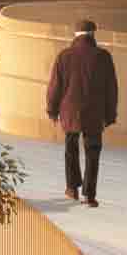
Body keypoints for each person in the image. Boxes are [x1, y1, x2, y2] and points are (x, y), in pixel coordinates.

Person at [45, 18, 119, 206]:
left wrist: (52, 109)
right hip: (95, 113)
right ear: (93, 34)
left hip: (70, 111)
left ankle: (72, 188)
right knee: (93, 152)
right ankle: (90, 194)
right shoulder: (103, 56)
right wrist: (110, 115)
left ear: (75, 35)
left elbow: (55, 86)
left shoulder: (64, 56)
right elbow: (111, 88)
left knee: (71, 148)